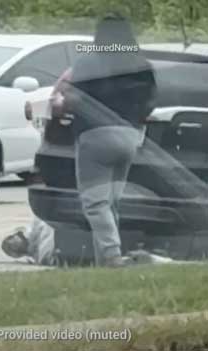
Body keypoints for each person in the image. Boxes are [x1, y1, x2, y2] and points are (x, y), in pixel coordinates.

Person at [62, 14, 157, 267]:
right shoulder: (140, 64)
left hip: (95, 136)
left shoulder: (87, 62)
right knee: (111, 202)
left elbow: (73, 97)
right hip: (130, 137)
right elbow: (150, 102)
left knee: (95, 203)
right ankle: (104, 262)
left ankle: (112, 255)